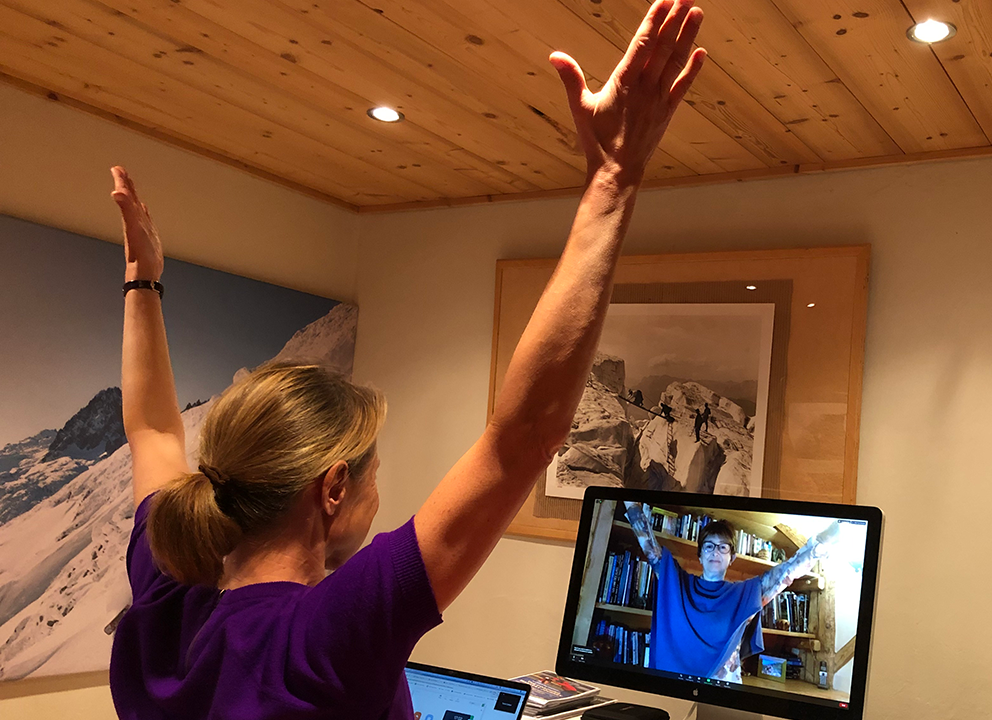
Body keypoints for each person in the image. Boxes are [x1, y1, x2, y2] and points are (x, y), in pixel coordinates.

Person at [108, 3, 708, 718]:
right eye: (373, 475)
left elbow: (152, 431)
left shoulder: (168, 594)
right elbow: (522, 440)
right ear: (333, 488)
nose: (377, 493)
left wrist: (143, 281)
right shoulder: (325, 635)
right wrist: (611, 179)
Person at [621, 502, 842, 682]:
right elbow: (651, 551)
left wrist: (820, 544)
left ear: (732, 558)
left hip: (723, 691)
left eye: (723, 547)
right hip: (676, 688)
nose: (715, 552)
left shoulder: (745, 593)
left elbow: (786, 572)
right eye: (709, 546)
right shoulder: (679, 585)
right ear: (700, 556)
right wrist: (632, 506)